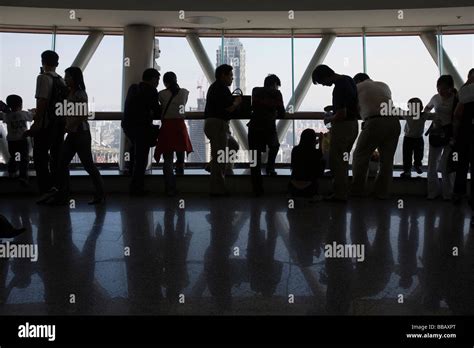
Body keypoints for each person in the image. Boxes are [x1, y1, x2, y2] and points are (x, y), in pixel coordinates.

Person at [46, 67, 105, 205]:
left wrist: (69, 127)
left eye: (68, 77)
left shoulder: (79, 94)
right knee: (68, 163)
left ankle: (64, 194)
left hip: (78, 133)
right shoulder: (73, 93)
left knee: (79, 164)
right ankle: (97, 194)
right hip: (76, 134)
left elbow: (83, 115)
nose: (66, 79)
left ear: (74, 78)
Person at [312, 64, 359, 202]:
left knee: (336, 161)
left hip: (343, 127)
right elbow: (351, 106)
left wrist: (328, 118)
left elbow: (341, 114)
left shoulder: (338, 88)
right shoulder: (349, 80)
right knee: (343, 160)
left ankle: (339, 194)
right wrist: (335, 108)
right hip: (353, 125)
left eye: (322, 82)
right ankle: (342, 192)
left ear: (326, 76)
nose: (323, 85)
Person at [350, 73, 401, 199]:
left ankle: (357, 191)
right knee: (387, 160)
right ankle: (381, 193)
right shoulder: (384, 85)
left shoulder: (357, 87)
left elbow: (354, 108)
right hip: (394, 122)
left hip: (375, 122)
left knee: (360, 156)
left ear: (357, 81)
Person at [27, 50, 68, 199]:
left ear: (42, 62)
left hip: (46, 125)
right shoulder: (62, 80)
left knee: (40, 158)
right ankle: (58, 189)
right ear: (57, 63)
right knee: (57, 158)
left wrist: (36, 122)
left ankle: (45, 190)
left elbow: (42, 101)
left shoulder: (43, 78)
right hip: (59, 124)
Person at [204, 64, 242, 196]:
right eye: (230, 75)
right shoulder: (222, 89)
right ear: (223, 75)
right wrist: (237, 102)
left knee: (233, 146)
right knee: (220, 158)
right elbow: (228, 109)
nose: (232, 78)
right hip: (218, 124)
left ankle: (211, 165)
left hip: (214, 124)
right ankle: (217, 190)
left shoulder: (215, 87)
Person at [122, 68, 161, 196]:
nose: (158, 83)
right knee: (141, 159)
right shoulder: (151, 91)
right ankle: (137, 188)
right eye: (157, 80)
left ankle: (133, 184)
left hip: (129, 127)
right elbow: (157, 111)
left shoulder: (133, 88)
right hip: (142, 128)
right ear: (153, 79)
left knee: (135, 154)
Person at [154, 72, 193, 196]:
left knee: (168, 159)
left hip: (167, 127)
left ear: (165, 83)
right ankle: (180, 172)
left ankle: (169, 187)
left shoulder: (161, 94)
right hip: (180, 126)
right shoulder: (184, 92)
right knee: (180, 150)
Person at [248, 74, 285, 196]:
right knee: (274, 146)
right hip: (269, 127)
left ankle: (257, 189)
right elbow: (282, 112)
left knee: (254, 159)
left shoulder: (255, 90)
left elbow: (254, 106)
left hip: (254, 127)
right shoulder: (277, 94)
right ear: (275, 84)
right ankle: (270, 168)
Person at [425, 75, 457, 200]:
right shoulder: (436, 98)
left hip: (450, 134)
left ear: (450, 88)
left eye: (443, 89)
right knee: (432, 164)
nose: (440, 92)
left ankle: (447, 193)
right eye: (439, 89)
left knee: (445, 165)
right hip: (436, 132)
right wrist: (431, 117)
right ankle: (433, 192)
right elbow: (427, 108)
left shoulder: (456, 100)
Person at [452, 69, 474, 218]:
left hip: (465, 134)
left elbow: (457, 114)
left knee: (462, 165)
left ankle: (458, 194)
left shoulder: (465, 92)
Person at [2, 95, 34, 185]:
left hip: (11, 141)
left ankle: (12, 172)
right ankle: (23, 177)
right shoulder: (24, 114)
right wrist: (33, 111)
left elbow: (2, 115)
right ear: (21, 104)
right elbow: (33, 116)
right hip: (22, 140)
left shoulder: (7, 116)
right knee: (24, 158)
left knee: (13, 157)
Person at [288, 129, 325, 200]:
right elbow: (319, 153)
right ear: (313, 140)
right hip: (310, 187)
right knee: (322, 162)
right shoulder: (315, 153)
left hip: (293, 186)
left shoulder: (295, 150)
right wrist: (320, 141)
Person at [401, 98, 427, 178]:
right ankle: (413, 167)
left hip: (410, 138)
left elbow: (397, 110)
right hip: (416, 138)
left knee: (412, 155)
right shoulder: (424, 115)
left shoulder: (407, 114)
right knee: (410, 155)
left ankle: (409, 170)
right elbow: (435, 115)